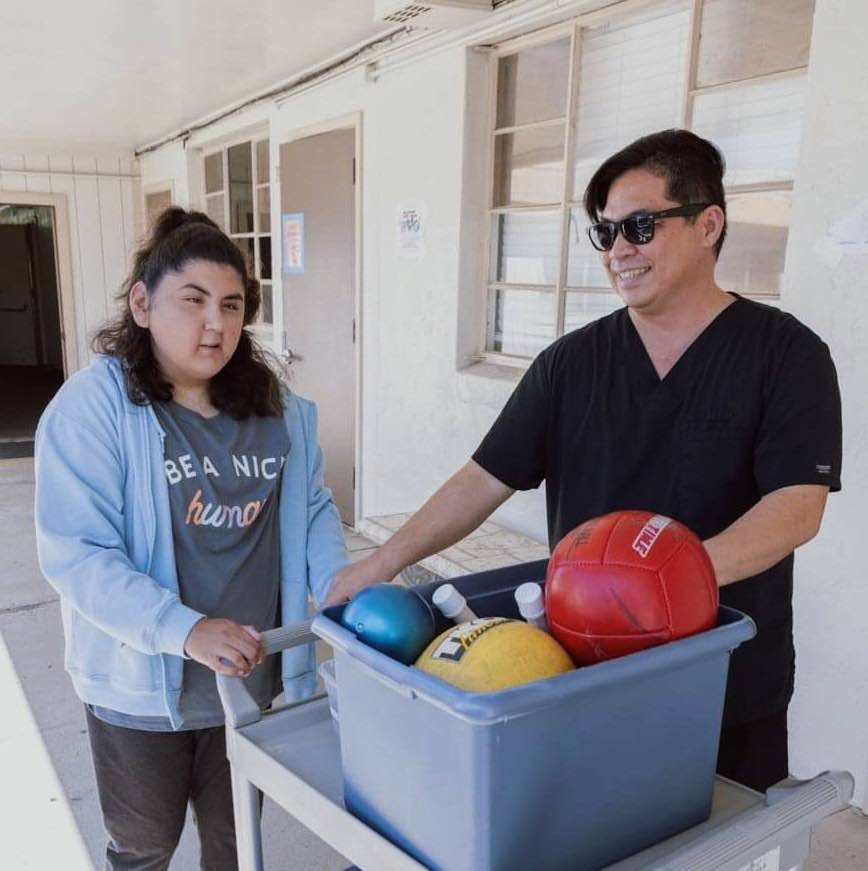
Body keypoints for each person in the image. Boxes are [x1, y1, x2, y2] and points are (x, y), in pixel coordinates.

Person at [327, 129, 842, 793]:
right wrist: (380, 560)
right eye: (605, 234)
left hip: (725, 671)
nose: (620, 251)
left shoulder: (786, 356)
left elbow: (796, 508)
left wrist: (666, 579)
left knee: (725, 839)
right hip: (585, 670)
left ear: (708, 223)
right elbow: (484, 477)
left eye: (640, 226)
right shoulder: (570, 365)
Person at [34, 207, 347, 870]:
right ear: (142, 303)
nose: (217, 323)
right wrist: (182, 628)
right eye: (194, 300)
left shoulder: (278, 410)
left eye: (232, 305)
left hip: (248, 675)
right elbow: (77, 553)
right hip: (144, 688)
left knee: (237, 844)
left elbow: (312, 506)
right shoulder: (95, 408)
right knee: (144, 847)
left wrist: (338, 582)